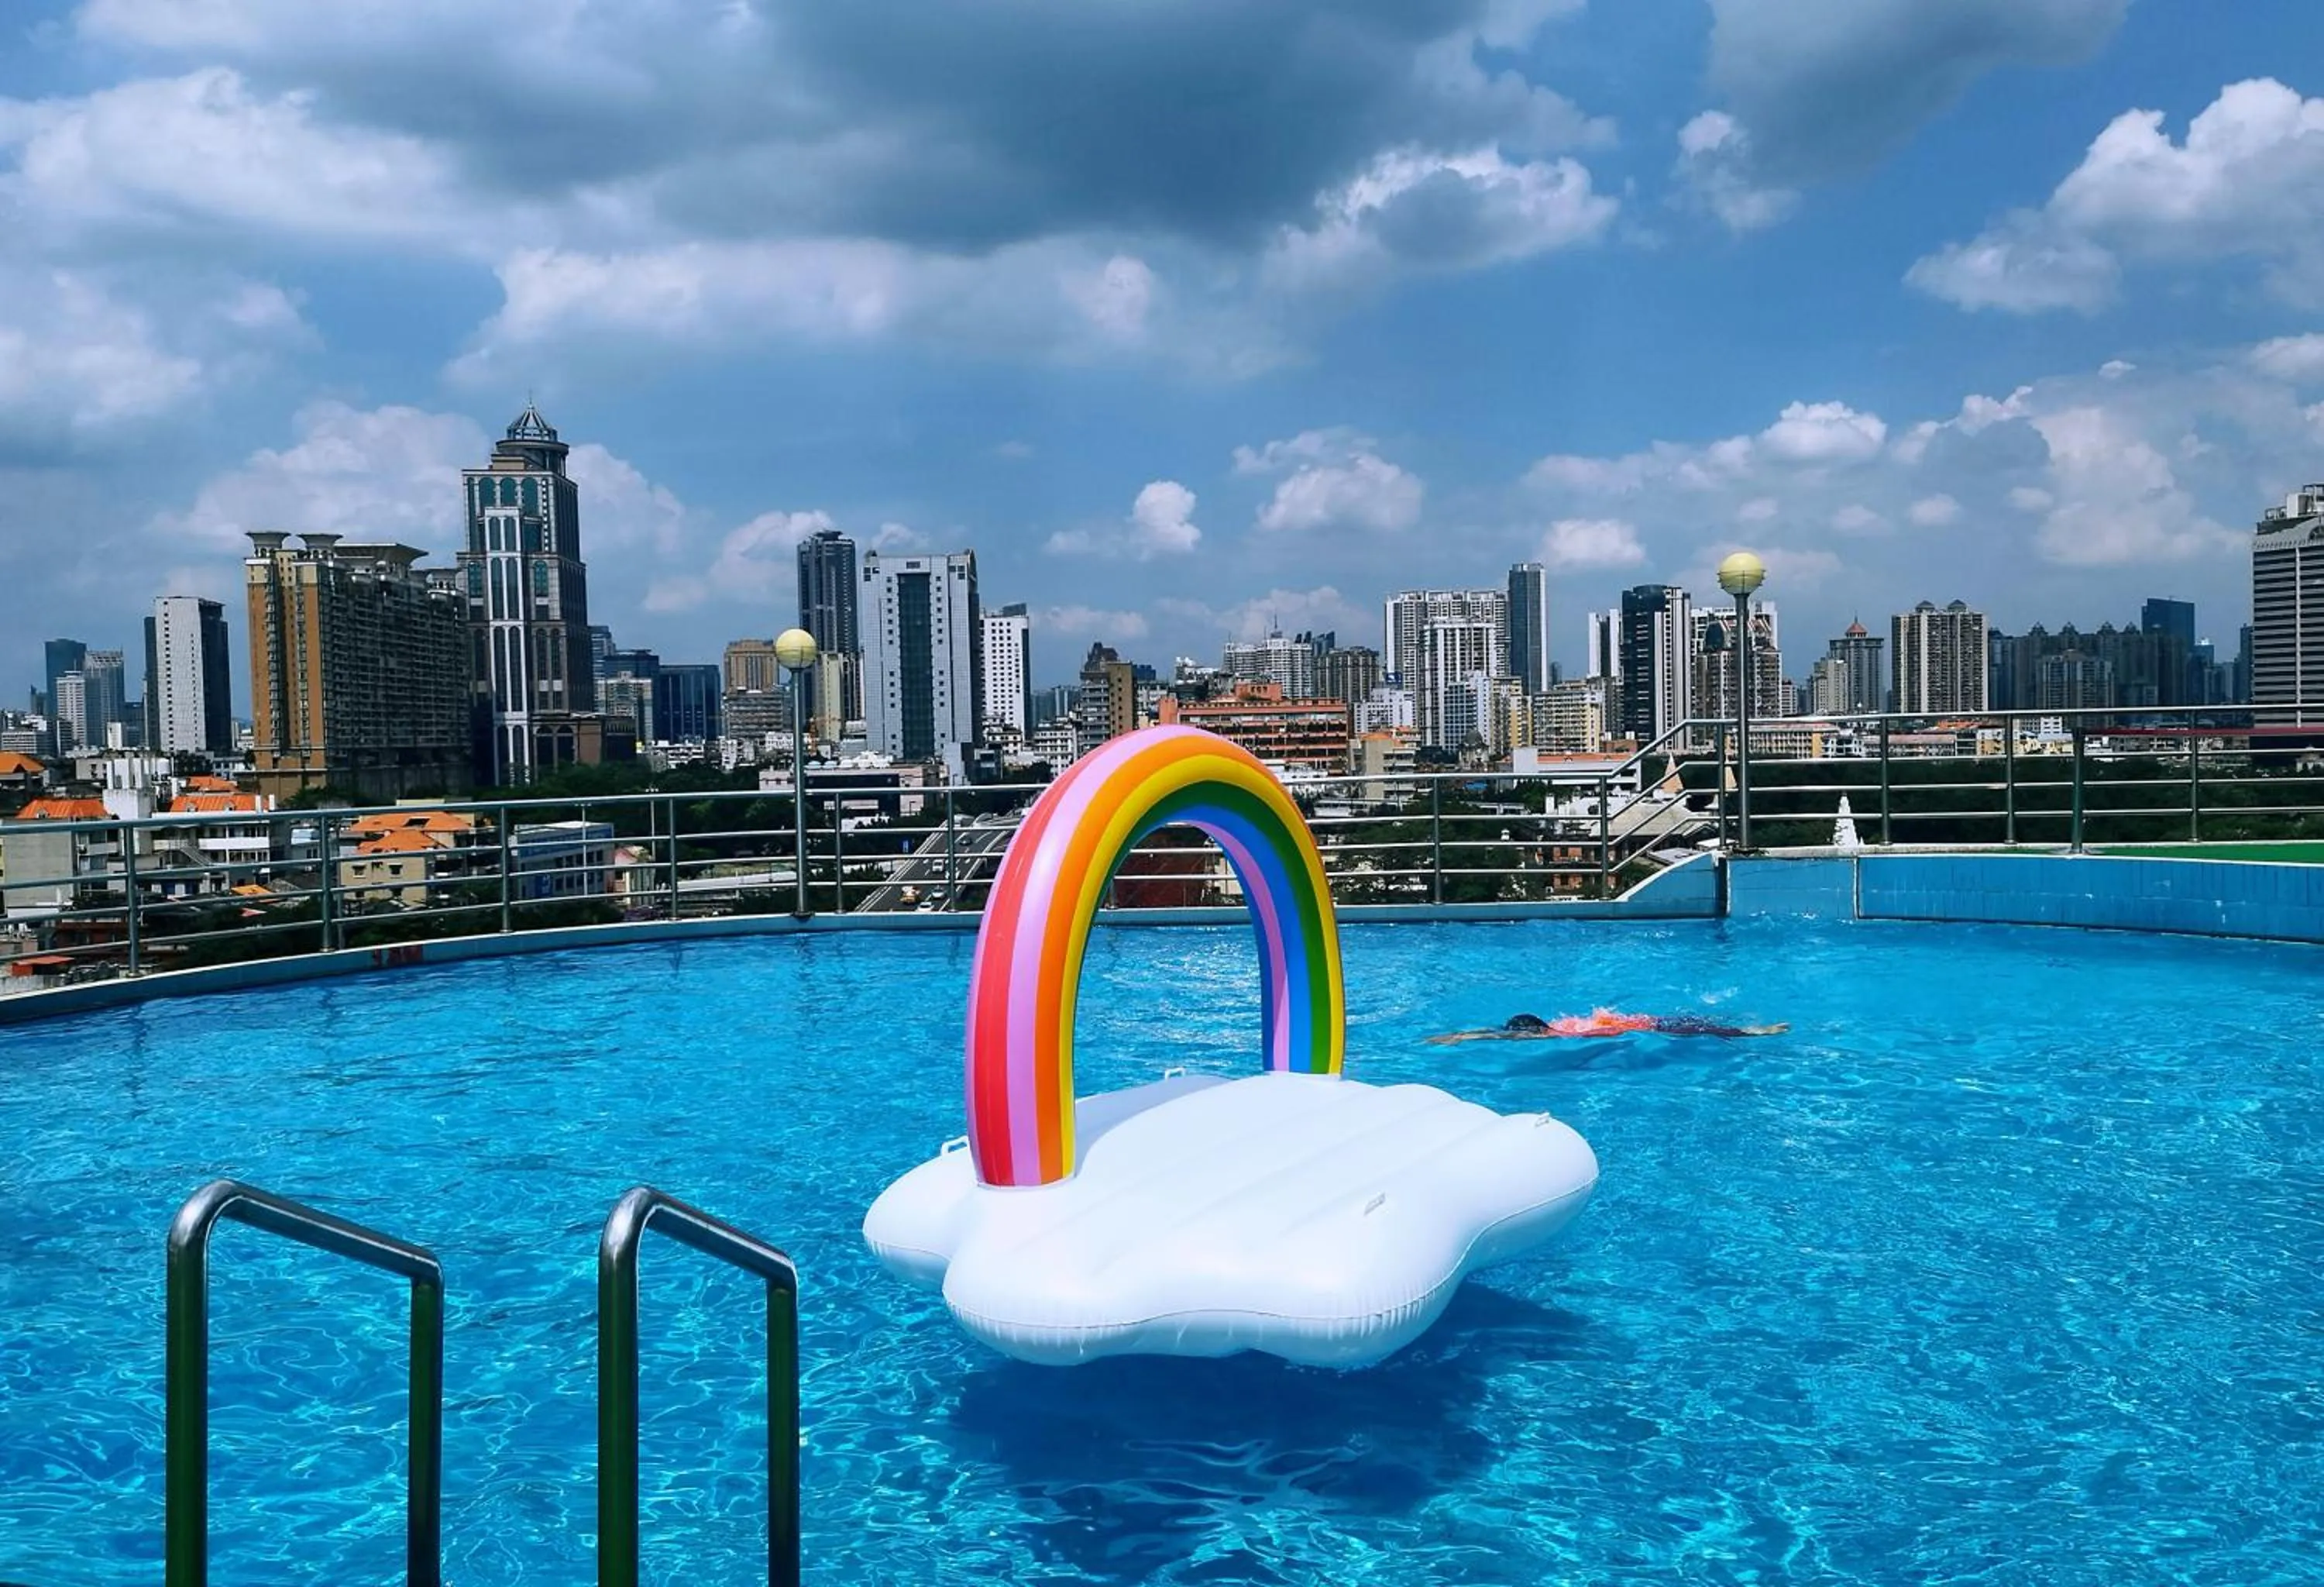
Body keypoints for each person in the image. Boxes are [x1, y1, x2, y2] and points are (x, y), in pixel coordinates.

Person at [1428, 1008, 1787, 1044]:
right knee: (1707, 1025)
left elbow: (1506, 1036)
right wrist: (1462, 1036)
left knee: (1712, 1032)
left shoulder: (1568, 1033)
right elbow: (1503, 1034)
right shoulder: (1558, 1025)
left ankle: (1759, 1032)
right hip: (1653, 1022)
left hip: (1656, 1028)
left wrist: (1461, 1037)